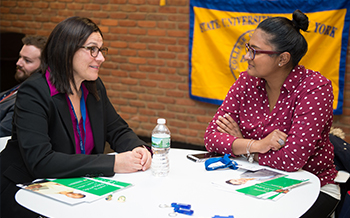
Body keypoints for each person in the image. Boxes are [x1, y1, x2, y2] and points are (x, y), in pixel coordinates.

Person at [0, 16, 152, 218]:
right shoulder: (34, 91)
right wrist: (114, 163)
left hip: (74, 188)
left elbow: (117, 129)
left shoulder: (93, 86)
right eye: (92, 49)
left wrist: (138, 148)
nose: (101, 58)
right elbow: (41, 161)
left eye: (101, 50)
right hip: (24, 190)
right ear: (67, 49)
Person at [204, 10, 339, 218]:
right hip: (255, 180)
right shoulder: (247, 81)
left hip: (312, 186)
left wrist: (241, 146)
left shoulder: (314, 88)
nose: (247, 56)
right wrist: (256, 145)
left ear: (283, 58)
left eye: (255, 51)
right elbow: (212, 137)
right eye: (249, 48)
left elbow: (292, 160)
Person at [0, 35, 47, 137]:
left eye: (27, 60)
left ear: (43, 67)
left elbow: (3, 134)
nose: (18, 63)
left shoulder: (27, 100)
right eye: (20, 57)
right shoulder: (22, 85)